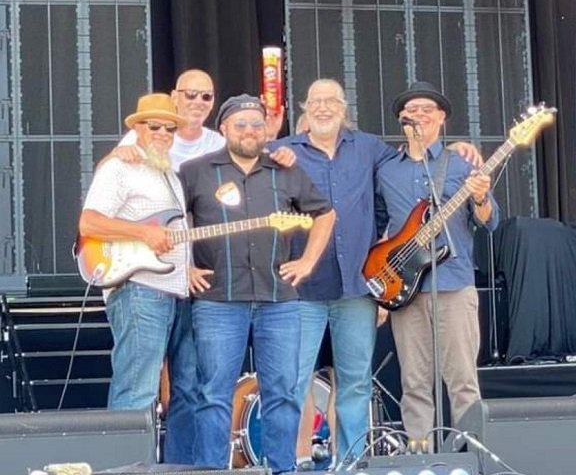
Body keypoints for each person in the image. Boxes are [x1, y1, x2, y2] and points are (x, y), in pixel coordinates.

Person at [269, 78, 482, 468]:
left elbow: (424, 162)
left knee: (355, 384)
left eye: (331, 101)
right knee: (292, 384)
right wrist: (269, 140)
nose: (323, 108)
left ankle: (353, 464)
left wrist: (457, 150)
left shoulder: (370, 149)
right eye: (315, 101)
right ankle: (289, 463)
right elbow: (242, 161)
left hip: (357, 287)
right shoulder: (283, 151)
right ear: (304, 109)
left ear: (344, 108)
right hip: (302, 288)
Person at [109, 69, 294, 464]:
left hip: (196, 290)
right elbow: (94, 214)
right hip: (146, 283)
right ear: (174, 96)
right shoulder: (133, 147)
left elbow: (246, 171)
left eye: (206, 97)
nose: (197, 103)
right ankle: (124, 467)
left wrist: (279, 146)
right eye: (189, 95)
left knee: (191, 388)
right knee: (139, 386)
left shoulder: (215, 145)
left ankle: (183, 467)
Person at [180, 94, 336, 473]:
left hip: (279, 300)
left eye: (256, 124)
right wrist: (181, 268)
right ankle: (211, 471)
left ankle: (282, 469)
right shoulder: (194, 171)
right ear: (224, 130)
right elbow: (171, 223)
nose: (249, 131)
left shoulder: (286, 170)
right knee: (213, 394)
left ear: (267, 129)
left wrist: (308, 260)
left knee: (282, 393)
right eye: (240, 125)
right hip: (218, 300)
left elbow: (325, 214)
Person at [374, 81, 499, 449]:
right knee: (414, 381)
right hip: (406, 288)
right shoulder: (386, 169)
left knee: (461, 379)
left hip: (454, 283)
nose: (419, 115)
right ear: (401, 119)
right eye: (412, 110)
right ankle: (419, 453)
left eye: (428, 109)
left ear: (442, 118)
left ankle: (470, 452)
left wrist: (479, 199)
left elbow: (489, 221)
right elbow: (380, 226)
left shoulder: (461, 164)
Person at [78, 93, 189, 412]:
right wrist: (144, 232)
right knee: (136, 389)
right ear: (137, 128)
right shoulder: (119, 166)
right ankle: (126, 463)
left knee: (159, 389)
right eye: (155, 127)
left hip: (170, 292)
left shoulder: (167, 172)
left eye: (170, 129)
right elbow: (89, 222)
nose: (164, 135)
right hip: (138, 290)